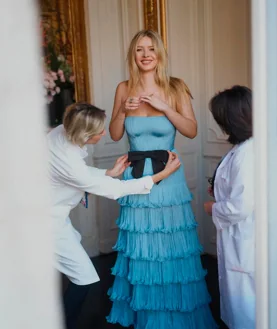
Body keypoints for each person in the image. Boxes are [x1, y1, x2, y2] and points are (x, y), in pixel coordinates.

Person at [107, 30, 217, 329]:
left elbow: (192, 130)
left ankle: (176, 317)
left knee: (170, 246)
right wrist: (122, 112)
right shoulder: (123, 88)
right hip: (135, 176)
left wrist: (165, 106)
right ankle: (147, 315)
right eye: (140, 49)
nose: (145, 55)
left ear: (159, 54)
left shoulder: (175, 87)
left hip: (168, 178)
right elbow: (116, 134)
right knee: (141, 248)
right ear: (133, 54)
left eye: (151, 49)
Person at [47, 102, 181, 329]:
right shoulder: (71, 166)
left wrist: (106, 173)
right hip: (44, 223)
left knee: (69, 265)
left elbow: (74, 174)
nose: (103, 133)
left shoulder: (61, 131)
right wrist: (163, 174)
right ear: (85, 134)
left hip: (51, 213)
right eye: (99, 131)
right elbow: (116, 190)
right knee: (84, 277)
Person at [204, 86, 255, 329]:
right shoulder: (243, 148)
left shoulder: (248, 154)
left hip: (246, 240)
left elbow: (240, 206)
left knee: (248, 308)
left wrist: (212, 207)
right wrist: (219, 189)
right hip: (240, 239)